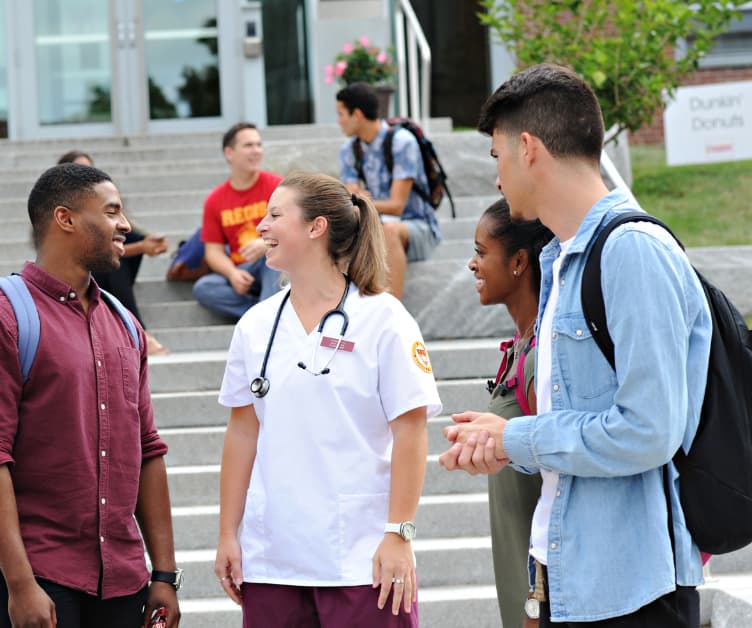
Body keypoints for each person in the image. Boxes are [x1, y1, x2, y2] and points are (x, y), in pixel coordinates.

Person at [439, 63, 712, 627]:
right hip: (570, 578)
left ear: (529, 148)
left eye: (497, 157)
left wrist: (517, 435)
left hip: (634, 590)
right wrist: (503, 441)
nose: (496, 178)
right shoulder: (560, 259)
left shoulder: (631, 251)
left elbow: (648, 429)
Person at [0, 163, 181, 628]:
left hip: (122, 579)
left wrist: (164, 573)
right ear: (65, 219)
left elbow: (148, 450)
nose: (125, 225)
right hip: (34, 576)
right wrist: (19, 584)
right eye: (113, 211)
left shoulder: (125, 324)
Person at [215, 172, 442, 627]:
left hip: (361, 558)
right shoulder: (255, 326)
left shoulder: (383, 319)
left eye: (276, 215)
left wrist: (399, 533)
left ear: (316, 227)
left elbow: (411, 432)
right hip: (273, 557)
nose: (262, 226)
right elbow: (243, 431)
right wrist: (227, 534)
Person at [468, 199, 552, 628]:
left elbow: (560, 484)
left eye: (482, 253)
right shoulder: (520, 347)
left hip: (539, 597)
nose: (471, 264)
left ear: (519, 261)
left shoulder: (540, 356)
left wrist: (536, 603)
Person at [58, 150, 172, 355]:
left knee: (125, 241)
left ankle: (134, 330)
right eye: (82, 170)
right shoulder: (66, 211)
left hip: (107, 267)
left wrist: (151, 242)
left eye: (91, 169)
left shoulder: (101, 201)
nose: (89, 175)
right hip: (83, 272)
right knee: (112, 264)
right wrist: (141, 247)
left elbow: (131, 231)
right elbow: (90, 250)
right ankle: (140, 333)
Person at [335, 82, 441, 299]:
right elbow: (351, 201)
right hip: (375, 225)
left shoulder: (402, 142)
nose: (339, 121)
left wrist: (360, 199)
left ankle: (393, 316)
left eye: (341, 114)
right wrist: (357, 199)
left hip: (417, 227)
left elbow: (397, 205)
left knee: (389, 231)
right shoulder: (349, 150)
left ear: (357, 114)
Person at [192, 122, 284, 319]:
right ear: (229, 152)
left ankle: (266, 317)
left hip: (276, 265)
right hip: (243, 270)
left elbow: (295, 228)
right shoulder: (215, 199)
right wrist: (232, 274)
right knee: (205, 288)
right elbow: (213, 252)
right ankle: (264, 314)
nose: (256, 151)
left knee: (272, 257)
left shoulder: (278, 186)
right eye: (248, 145)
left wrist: (266, 242)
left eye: (259, 145)